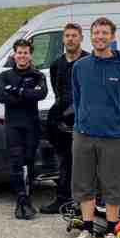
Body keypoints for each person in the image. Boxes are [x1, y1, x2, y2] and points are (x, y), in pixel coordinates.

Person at [69, 17, 120, 238]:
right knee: (84, 184)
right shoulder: (80, 66)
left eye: (104, 33)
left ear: (113, 36)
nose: (100, 37)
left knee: (113, 186)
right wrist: (82, 121)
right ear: (91, 36)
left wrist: (110, 118)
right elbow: (77, 98)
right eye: (96, 33)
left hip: (113, 136)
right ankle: (86, 229)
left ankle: (110, 232)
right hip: (84, 134)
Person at [0, 39, 48, 219]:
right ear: (14, 54)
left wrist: (16, 91)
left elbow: (41, 94)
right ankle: (20, 201)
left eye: (26, 53)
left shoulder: (37, 75)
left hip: (31, 125)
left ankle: (28, 198)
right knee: (16, 162)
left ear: (30, 54)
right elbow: (1, 96)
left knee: (30, 162)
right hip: (13, 126)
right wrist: (25, 93)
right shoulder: (5, 76)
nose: (22, 56)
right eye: (19, 52)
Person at [40, 23, 89, 214]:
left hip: (84, 120)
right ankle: (62, 199)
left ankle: (85, 202)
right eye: (67, 36)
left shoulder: (88, 61)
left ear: (81, 38)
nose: (70, 39)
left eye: (74, 36)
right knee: (64, 161)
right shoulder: (56, 64)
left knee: (85, 164)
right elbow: (57, 91)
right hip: (62, 123)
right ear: (63, 39)